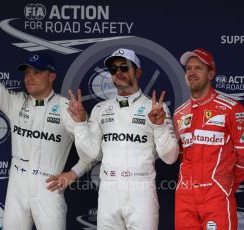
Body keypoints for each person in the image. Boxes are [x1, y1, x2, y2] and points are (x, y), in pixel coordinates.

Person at [0, 16, 93, 230]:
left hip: (48, 187)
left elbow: (92, 151)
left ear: (52, 76)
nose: (29, 77)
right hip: (17, 187)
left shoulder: (68, 108)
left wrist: (73, 172)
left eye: (37, 72)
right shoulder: (15, 102)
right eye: (27, 72)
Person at [67, 48, 179, 229]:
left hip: (141, 189)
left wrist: (159, 126)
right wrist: (80, 124)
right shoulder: (100, 109)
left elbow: (170, 157)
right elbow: (91, 155)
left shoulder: (155, 108)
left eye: (124, 67)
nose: (118, 72)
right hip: (108, 190)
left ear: (138, 72)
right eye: (113, 69)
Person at [173, 48, 244, 230]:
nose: (192, 73)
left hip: (215, 194)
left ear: (211, 73)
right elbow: (180, 154)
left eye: (198, 68)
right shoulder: (179, 113)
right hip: (185, 196)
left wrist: (223, 184)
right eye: (188, 69)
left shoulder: (232, 108)